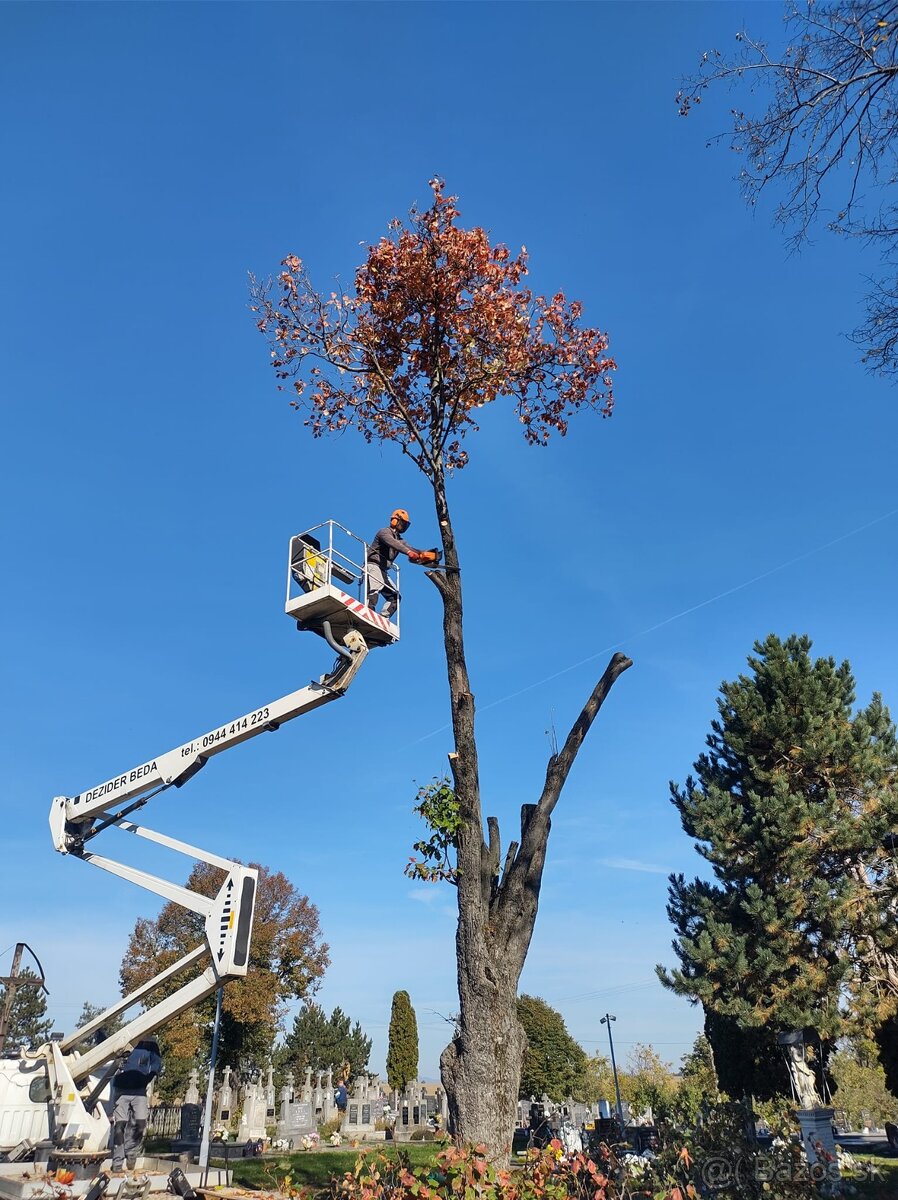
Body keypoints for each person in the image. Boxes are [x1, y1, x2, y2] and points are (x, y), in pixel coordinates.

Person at [365, 510, 438, 618]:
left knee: (395, 597)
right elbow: (394, 543)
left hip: (383, 570)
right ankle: (368, 611)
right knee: (375, 589)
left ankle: (383, 617)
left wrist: (425, 555)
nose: (403, 526)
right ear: (395, 520)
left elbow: (410, 549)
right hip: (373, 565)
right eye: (402, 522)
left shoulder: (401, 540)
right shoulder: (384, 532)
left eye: (405, 524)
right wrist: (409, 553)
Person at [110, 1038, 162, 1171]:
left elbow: (156, 1062)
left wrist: (149, 1077)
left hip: (139, 1090)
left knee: (140, 1123)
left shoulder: (150, 1044)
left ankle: (131, 1152)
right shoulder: (126, 1040)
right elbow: (109, 1046)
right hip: (121, 1089)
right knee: (120, 1125)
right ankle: (117, 1162)